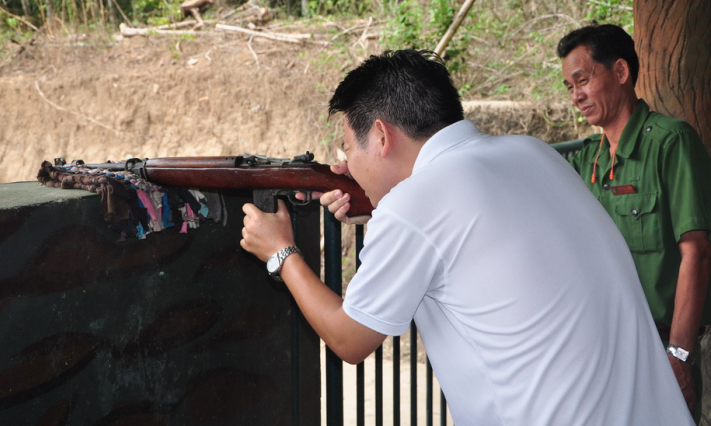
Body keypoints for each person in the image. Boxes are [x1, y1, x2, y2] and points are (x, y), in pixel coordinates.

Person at [240, 49, 694, 425]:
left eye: (348, 149)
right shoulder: (531, 151)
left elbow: (349, 339)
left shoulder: (415, 205)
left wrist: (281, 252)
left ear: (380, 136)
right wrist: (385, 212)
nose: (347, 166)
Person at [558, 24, 711, 420]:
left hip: (669, 347)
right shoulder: (586, 158)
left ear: (621, 72)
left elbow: (695, 254)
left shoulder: (671, 142)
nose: (576, 96)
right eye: (568, 87)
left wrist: (679, 355)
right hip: (610, 349)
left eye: (583, 80)